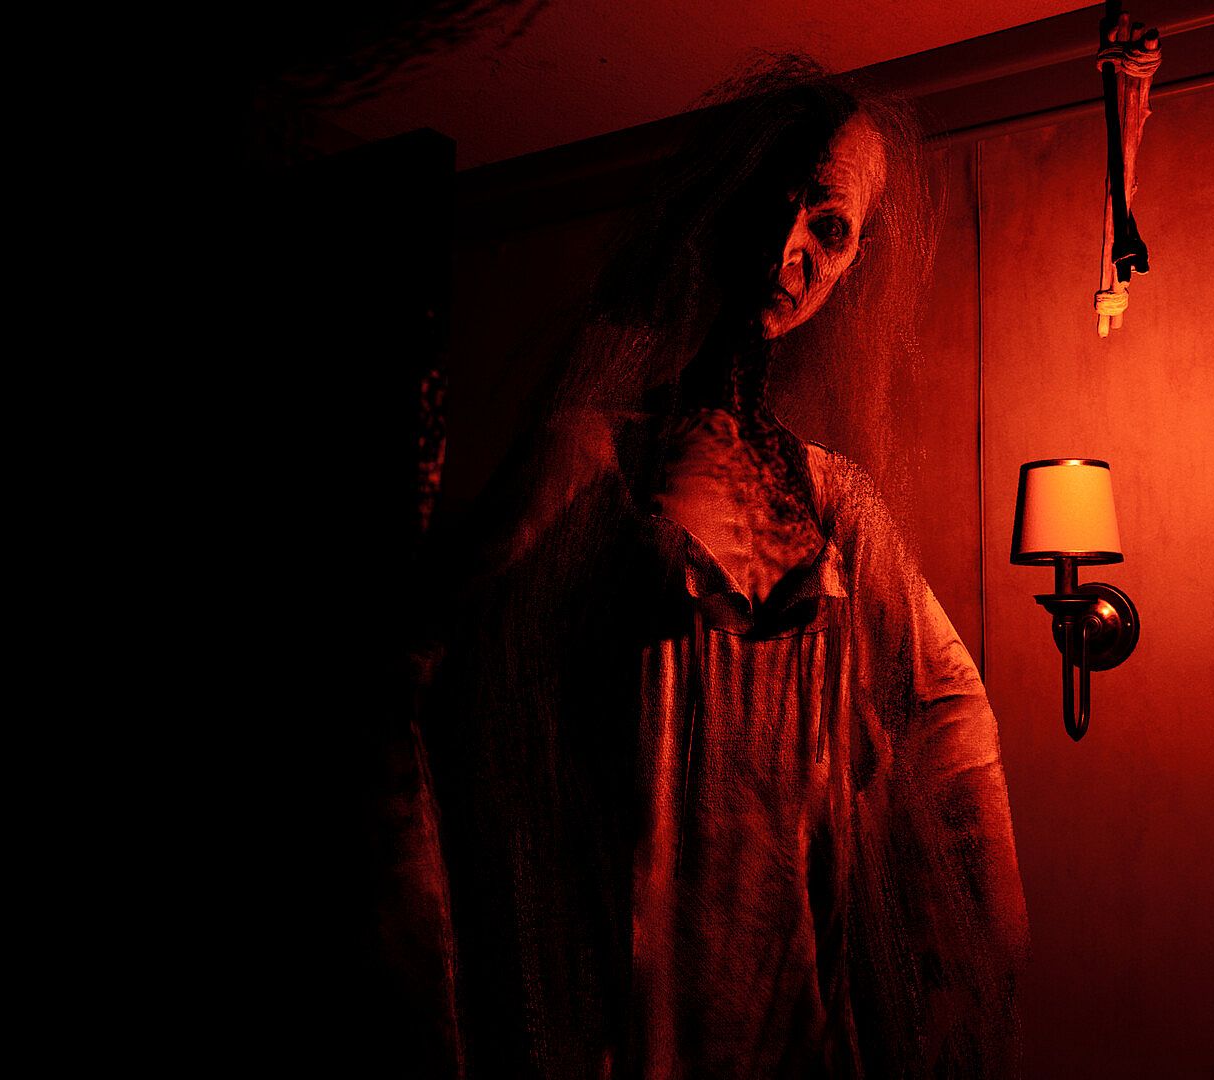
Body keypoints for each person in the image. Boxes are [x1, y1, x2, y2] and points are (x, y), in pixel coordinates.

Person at [421, 58, 1029, 1079]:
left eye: (829, 229)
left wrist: (987, 940)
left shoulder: (835, 501)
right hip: (621, 988)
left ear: (852, 262)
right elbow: (435, 659)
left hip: (794, 996)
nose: (789, 252)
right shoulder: (592, 455)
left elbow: (950, 714)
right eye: (774, 205)